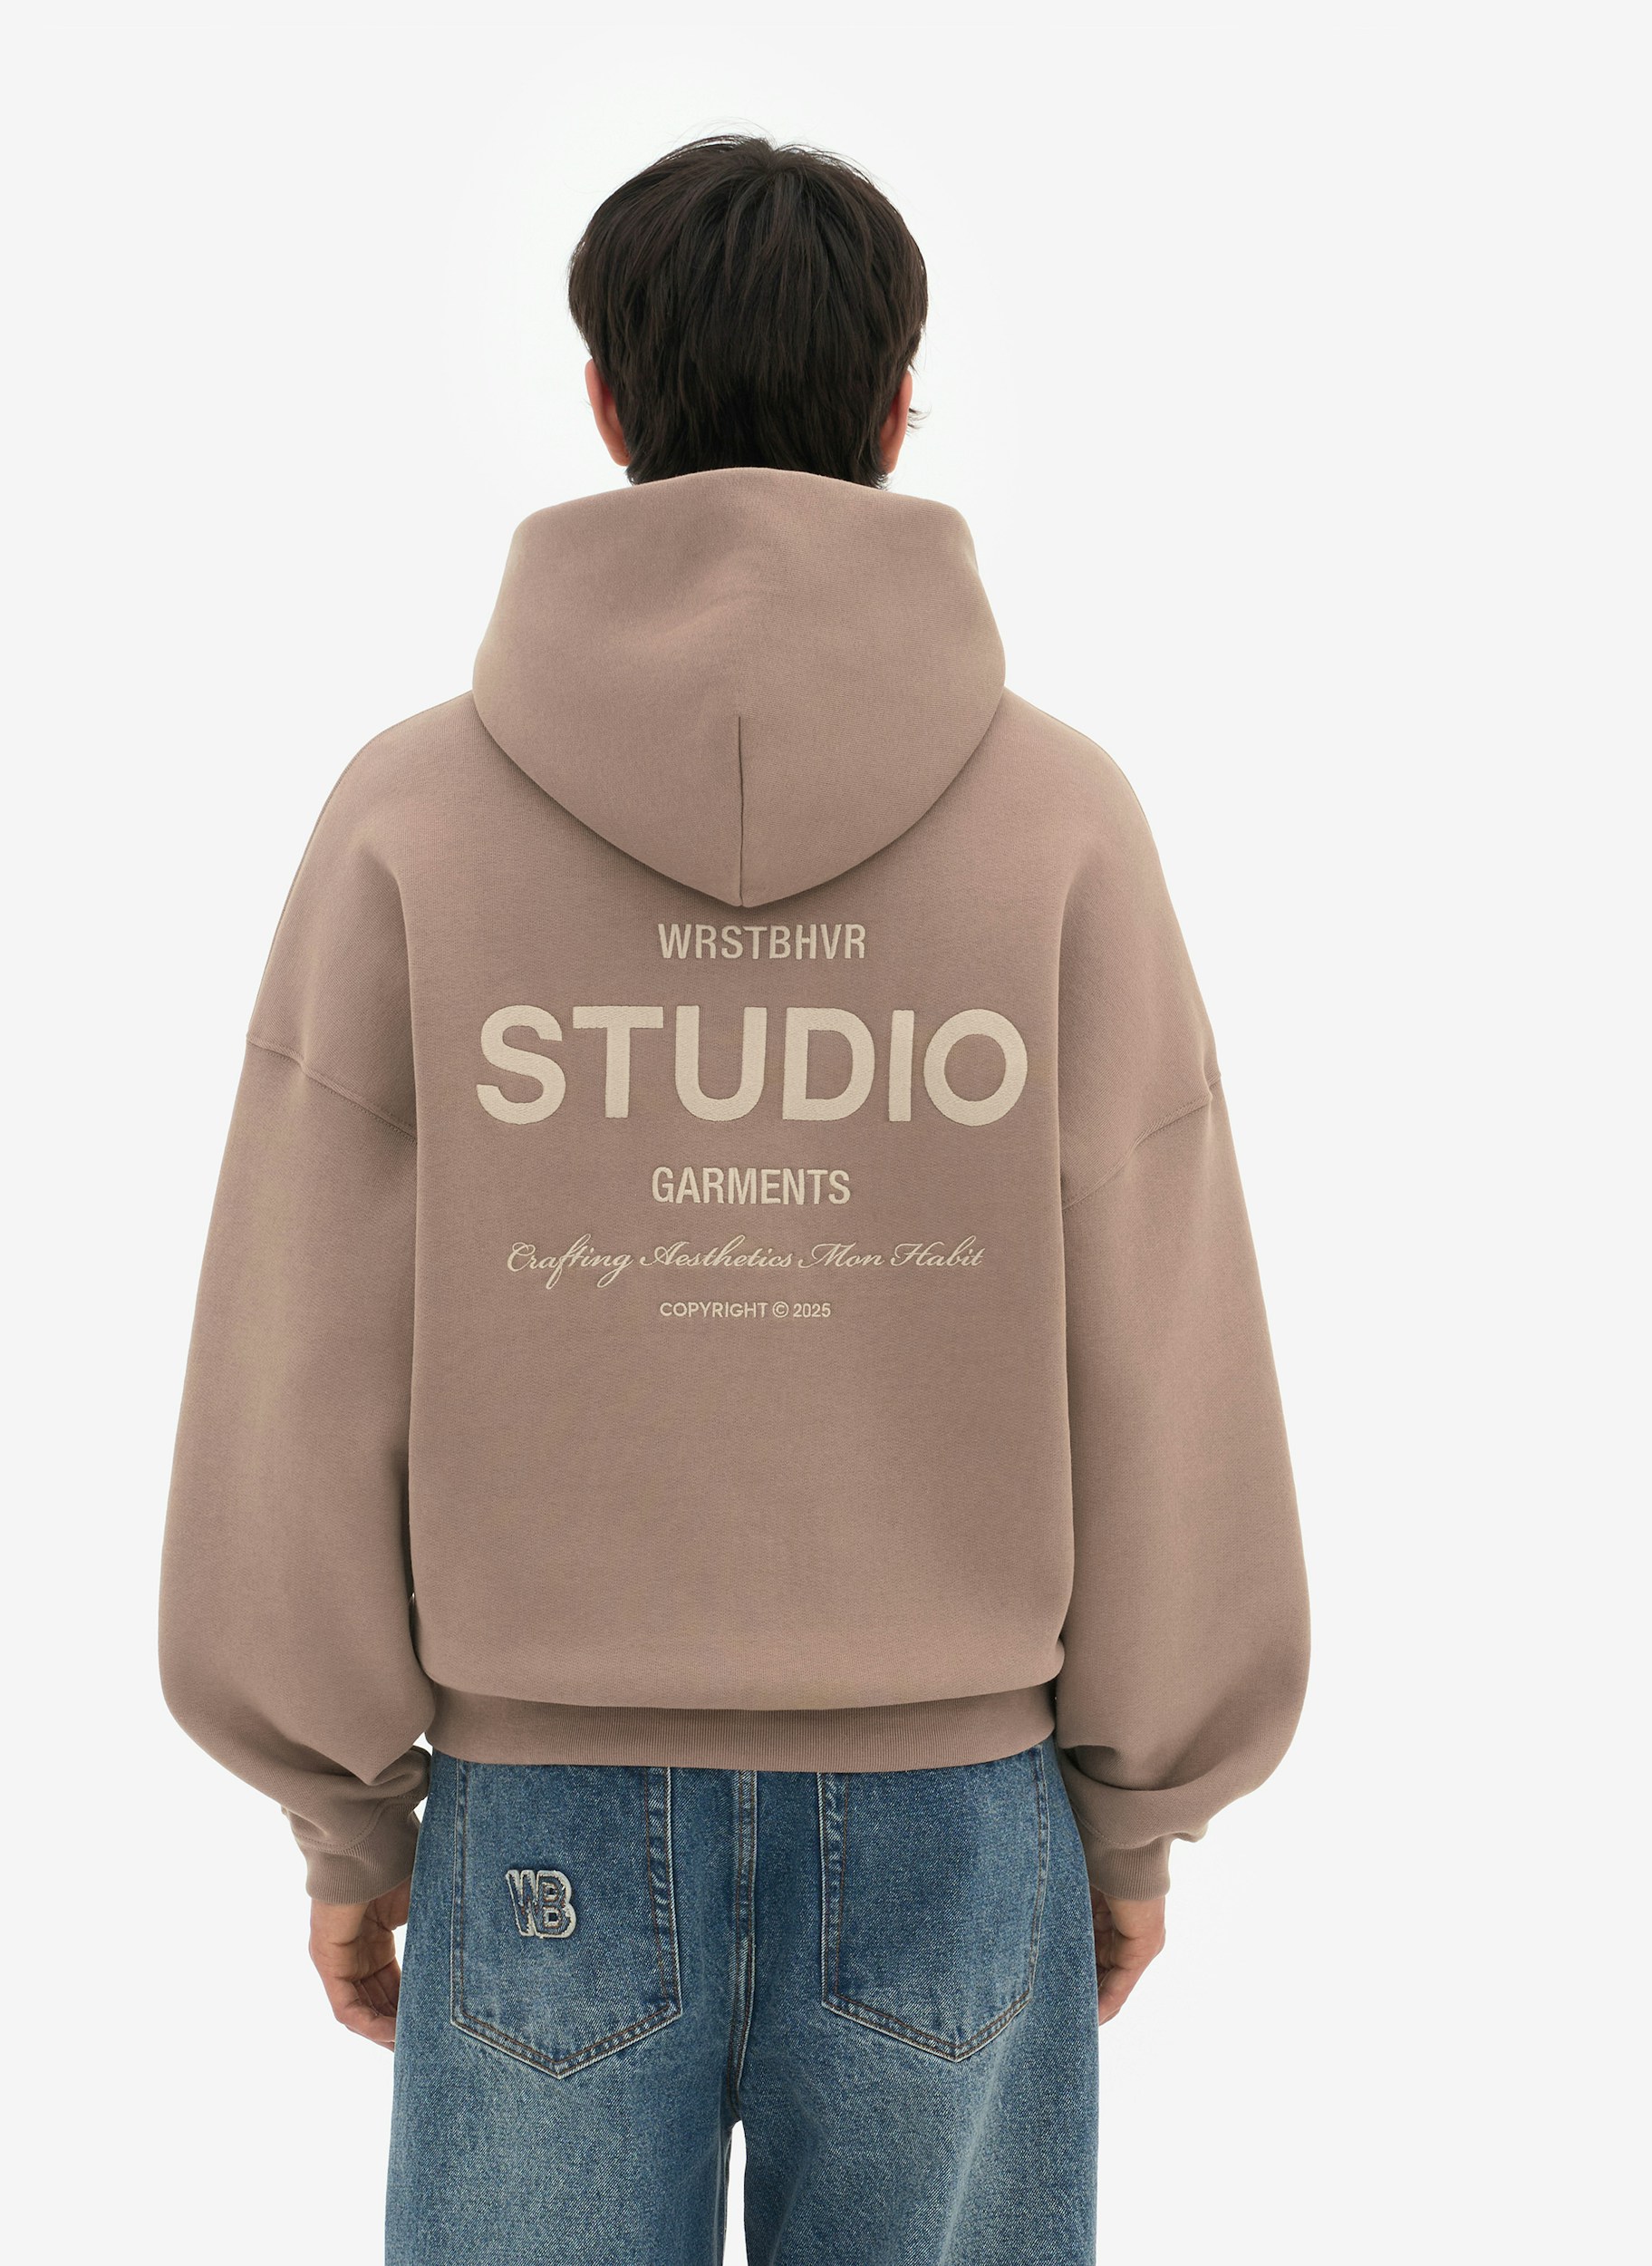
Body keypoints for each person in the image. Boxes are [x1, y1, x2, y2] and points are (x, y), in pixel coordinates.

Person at [160, 134, 1308, 2265]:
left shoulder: (411, 816)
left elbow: (301, 1335)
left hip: (541, 1810)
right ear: (898, 404)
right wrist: (1141, 1805)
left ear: (607, 398)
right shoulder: (1060, 821)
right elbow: (1160, 1330)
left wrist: (343, 1808)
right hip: (956, 1812)